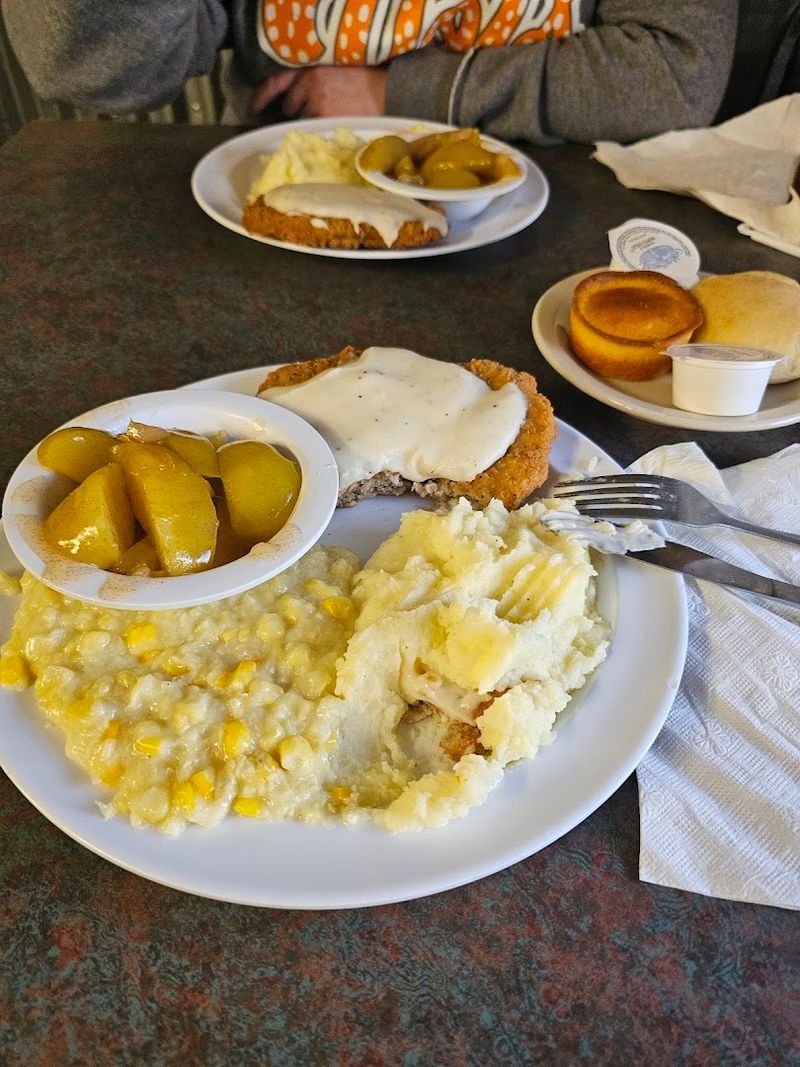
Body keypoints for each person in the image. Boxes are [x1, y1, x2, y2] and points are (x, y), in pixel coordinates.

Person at [2, 0, 743, 145]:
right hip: (280, 199)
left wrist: (390, 92)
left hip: (570, 224)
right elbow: (85, 63)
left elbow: (676, 72)